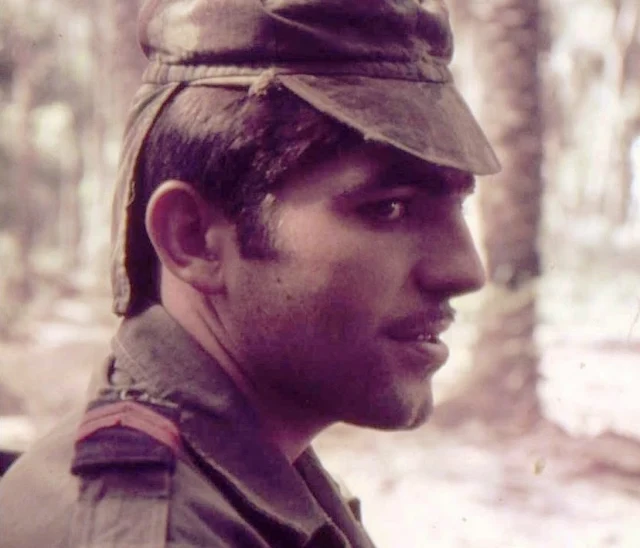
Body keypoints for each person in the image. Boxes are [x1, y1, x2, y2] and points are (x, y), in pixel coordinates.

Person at [0, 0, 499, 546]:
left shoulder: (251, 468)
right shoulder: (155, 532)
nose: (466, 271)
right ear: (193, 238)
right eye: (389, 208)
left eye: (459, 205)